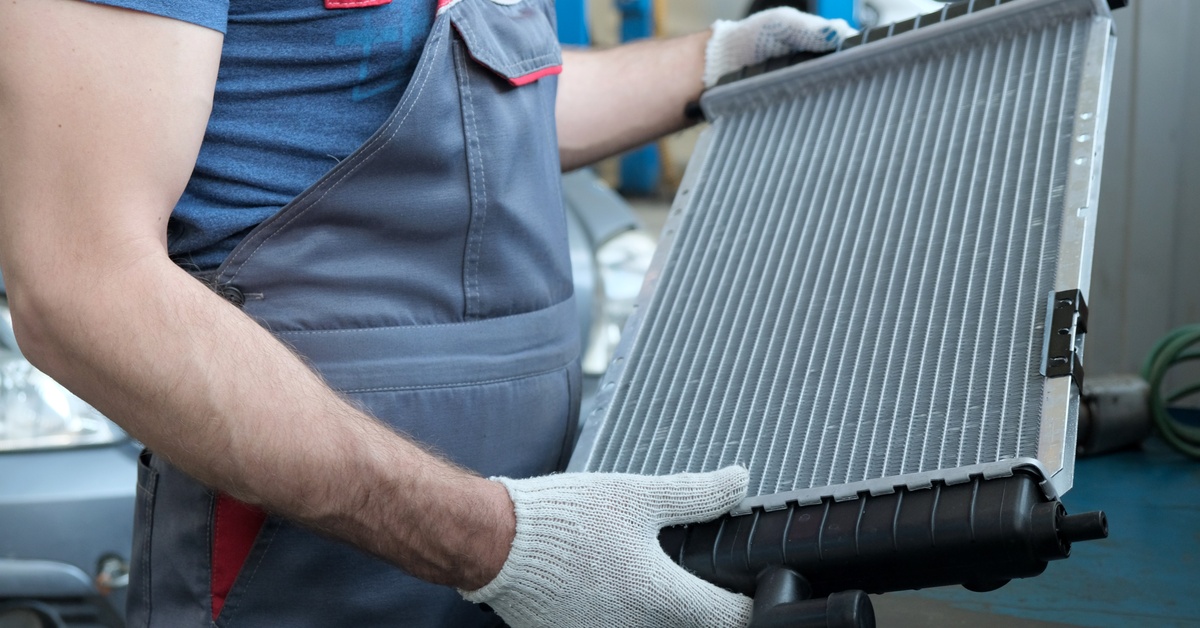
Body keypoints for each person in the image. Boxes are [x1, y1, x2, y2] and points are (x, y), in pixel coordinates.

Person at [0, 1, 851, 626]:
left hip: (544, 528)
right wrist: (498, 544)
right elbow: (84, 287)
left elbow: (492, 108)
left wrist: (715, 61)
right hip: (311, 565)